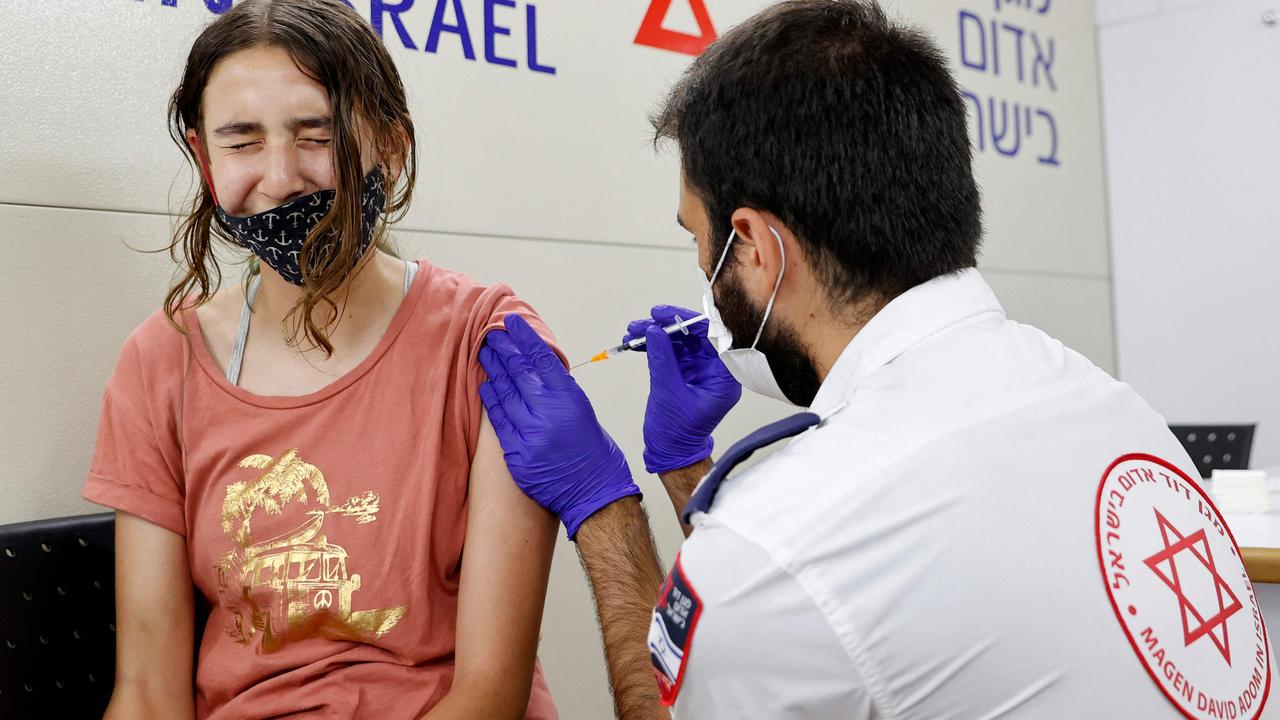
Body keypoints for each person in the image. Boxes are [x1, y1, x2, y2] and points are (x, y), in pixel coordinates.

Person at [479, 1, 1278, 718]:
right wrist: (691, 469)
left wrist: (603, 512)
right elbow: (818, 616)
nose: (704, 279)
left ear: (754, 247)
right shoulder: (1106, 403)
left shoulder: (787, 541)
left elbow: (772, 600)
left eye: (701, 243)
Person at [82, 1, 561, 717]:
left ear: (389, 145)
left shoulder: (489, 341)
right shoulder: (161, 360)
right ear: (203, 157)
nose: (281, 178)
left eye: (318, 137)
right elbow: (147, 692)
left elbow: (489, 693)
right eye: (240, 142)